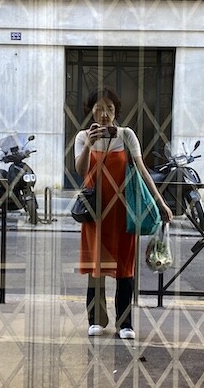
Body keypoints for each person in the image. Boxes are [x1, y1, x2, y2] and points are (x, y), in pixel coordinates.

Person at [74, 89, 172, 340]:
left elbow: (142, 170)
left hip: (124, 213)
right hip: (95, 214)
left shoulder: (127, 135)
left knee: (125, 269)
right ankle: (95, 320)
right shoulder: (83, 137)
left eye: (109, 108)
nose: (104, 114)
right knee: (96, 269)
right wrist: (90, 145)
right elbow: (81, 170)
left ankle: (125, 323)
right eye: (99, 108)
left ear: (116, 111)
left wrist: (160, 202)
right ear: (91, 111)